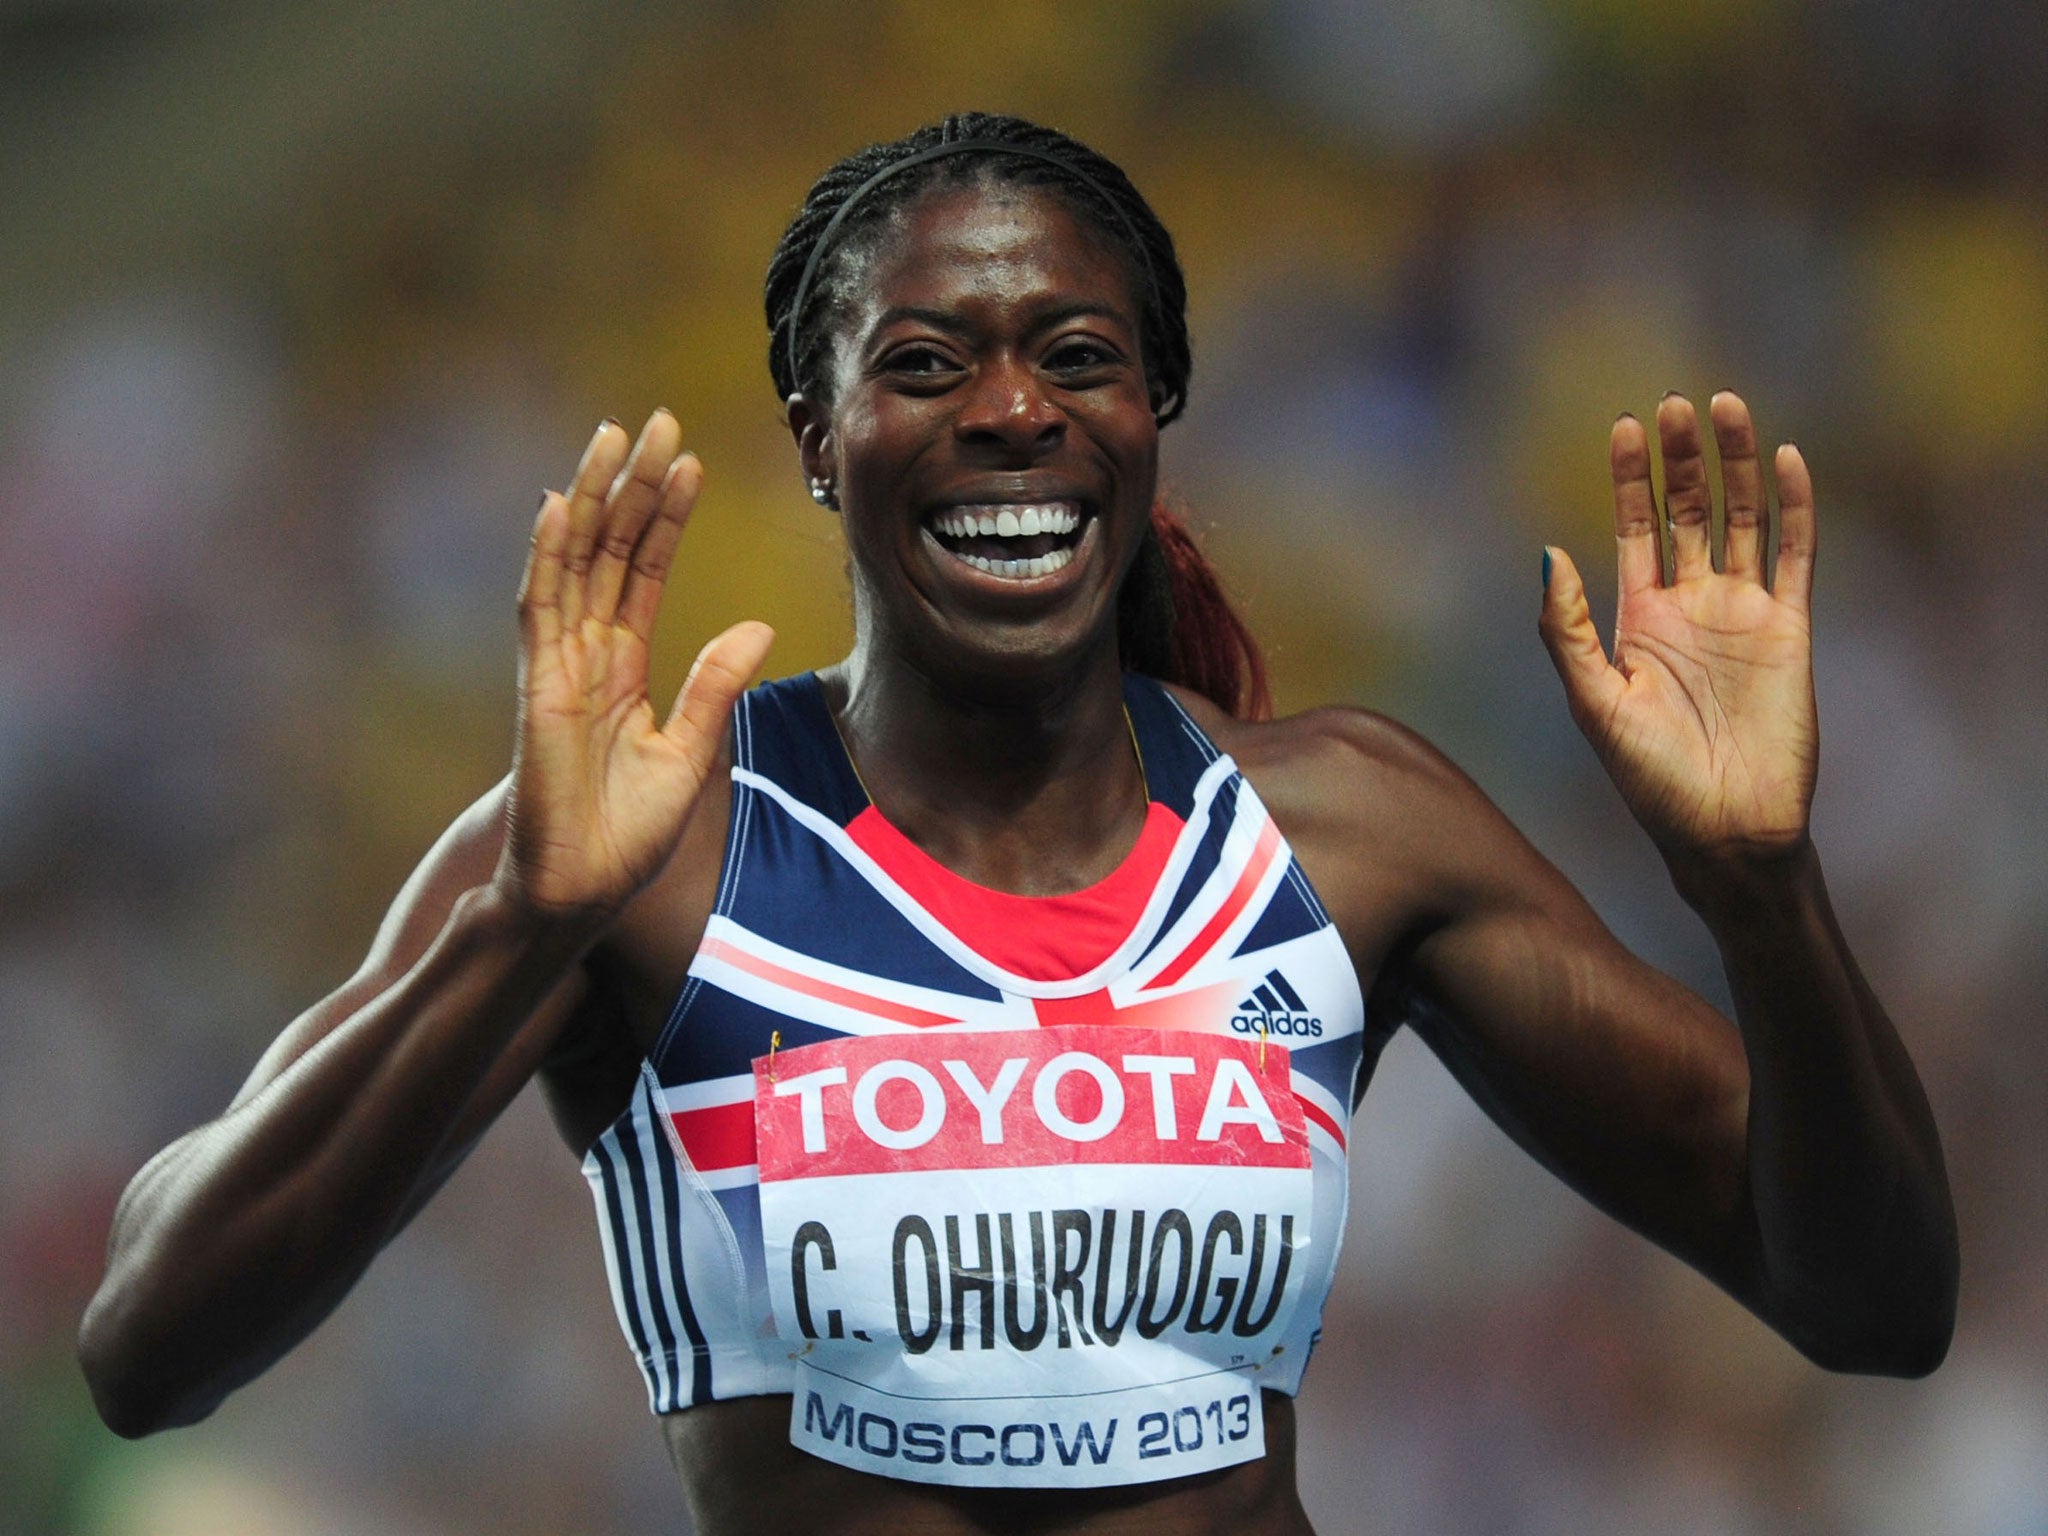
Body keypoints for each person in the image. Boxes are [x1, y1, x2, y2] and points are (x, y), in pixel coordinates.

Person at [78, 113, 1958, 1535]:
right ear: (815, 435)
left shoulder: (1349, 832)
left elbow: (1873, 1304)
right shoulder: (646, 848)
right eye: (922, 363)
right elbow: (150, 1346)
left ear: (1155, 410)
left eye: (1076, 355)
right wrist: (519, 924)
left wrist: (1764, 893)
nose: (1010, 412)